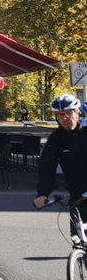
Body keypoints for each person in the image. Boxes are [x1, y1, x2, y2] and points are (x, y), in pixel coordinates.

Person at [34, 93, 87, 243]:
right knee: (77, 239)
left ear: (77, 113)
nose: (64, 118)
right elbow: (46, 166)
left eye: (68, 114)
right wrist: (42, 193)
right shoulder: (56, 139)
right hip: (77, 194)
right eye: (59, 115)